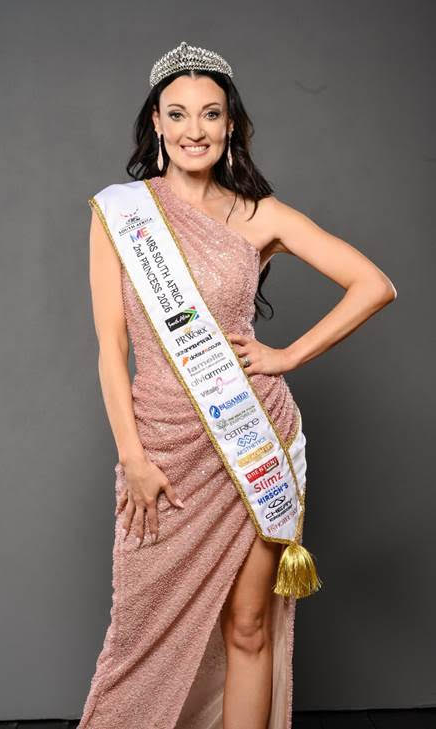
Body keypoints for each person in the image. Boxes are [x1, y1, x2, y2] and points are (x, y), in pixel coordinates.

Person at [77, 41, 396, 729]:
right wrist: (132, 456)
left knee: (248, 624)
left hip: (253, 437)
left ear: (231, 125)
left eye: (210, 114)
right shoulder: (121, 214)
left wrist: (288, 356)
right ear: (156, 123)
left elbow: (373, 284)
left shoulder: (261, 216)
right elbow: (111, 348)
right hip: (162, 446)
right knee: (140, 631)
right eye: (177, 113)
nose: (194, 129)